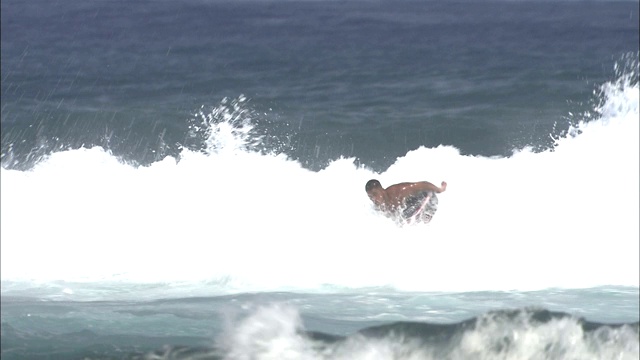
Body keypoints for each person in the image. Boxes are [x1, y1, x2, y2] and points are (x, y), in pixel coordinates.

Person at [365, 179, 447, 224]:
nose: (374, 199)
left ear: (381, 190)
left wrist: (439, 189)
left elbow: (422, 184)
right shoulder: (379, 207)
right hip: (413, 207)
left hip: (429, 198)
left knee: (405, 219)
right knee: (401, 221)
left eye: (375, 194)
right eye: (370, 197)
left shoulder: (399, 192)